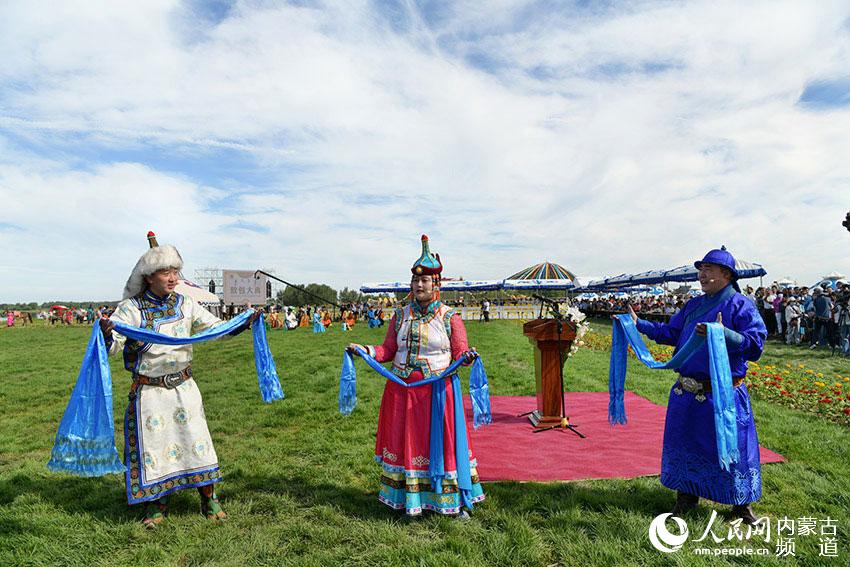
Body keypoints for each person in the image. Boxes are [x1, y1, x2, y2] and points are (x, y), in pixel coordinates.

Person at [99, 233, 259, 528]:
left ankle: (209, 498)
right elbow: (115, 344)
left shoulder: (186, 304)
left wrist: (244, 321)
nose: (172, 278)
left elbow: (216, 329)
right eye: (165, 272)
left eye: (175, 271)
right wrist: (108, 331)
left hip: (184, 387)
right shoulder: (131, 309)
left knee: (197, 441)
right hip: (150, 389)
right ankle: (157, 505)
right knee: (155, 448)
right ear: (149, 277)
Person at [627, 246, 767, 524]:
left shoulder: (741, 305)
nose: (701, 275)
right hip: (687, 392)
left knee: (733, 447)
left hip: (723, 393)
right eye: (700, 269)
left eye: (708, 269)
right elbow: (671, 333)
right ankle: (686, 497)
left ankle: (741, 504)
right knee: (686, 445)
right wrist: (639, 324)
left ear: (726, 274)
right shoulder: (692, 305)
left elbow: (755, 345)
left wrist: (723, 333)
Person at [348, 235, 483, 518]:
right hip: (401, 391)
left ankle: (450, 500)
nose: (419, 285)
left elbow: (459, 353)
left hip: (436, 393)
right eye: (415, 281)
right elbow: (388, 349)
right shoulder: (400, 315)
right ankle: (408, 499)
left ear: (437, 284)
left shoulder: (450, 318)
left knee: (441, 444)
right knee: (405, 443)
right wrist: (365, 349)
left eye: (425, 281)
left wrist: (467, 357)